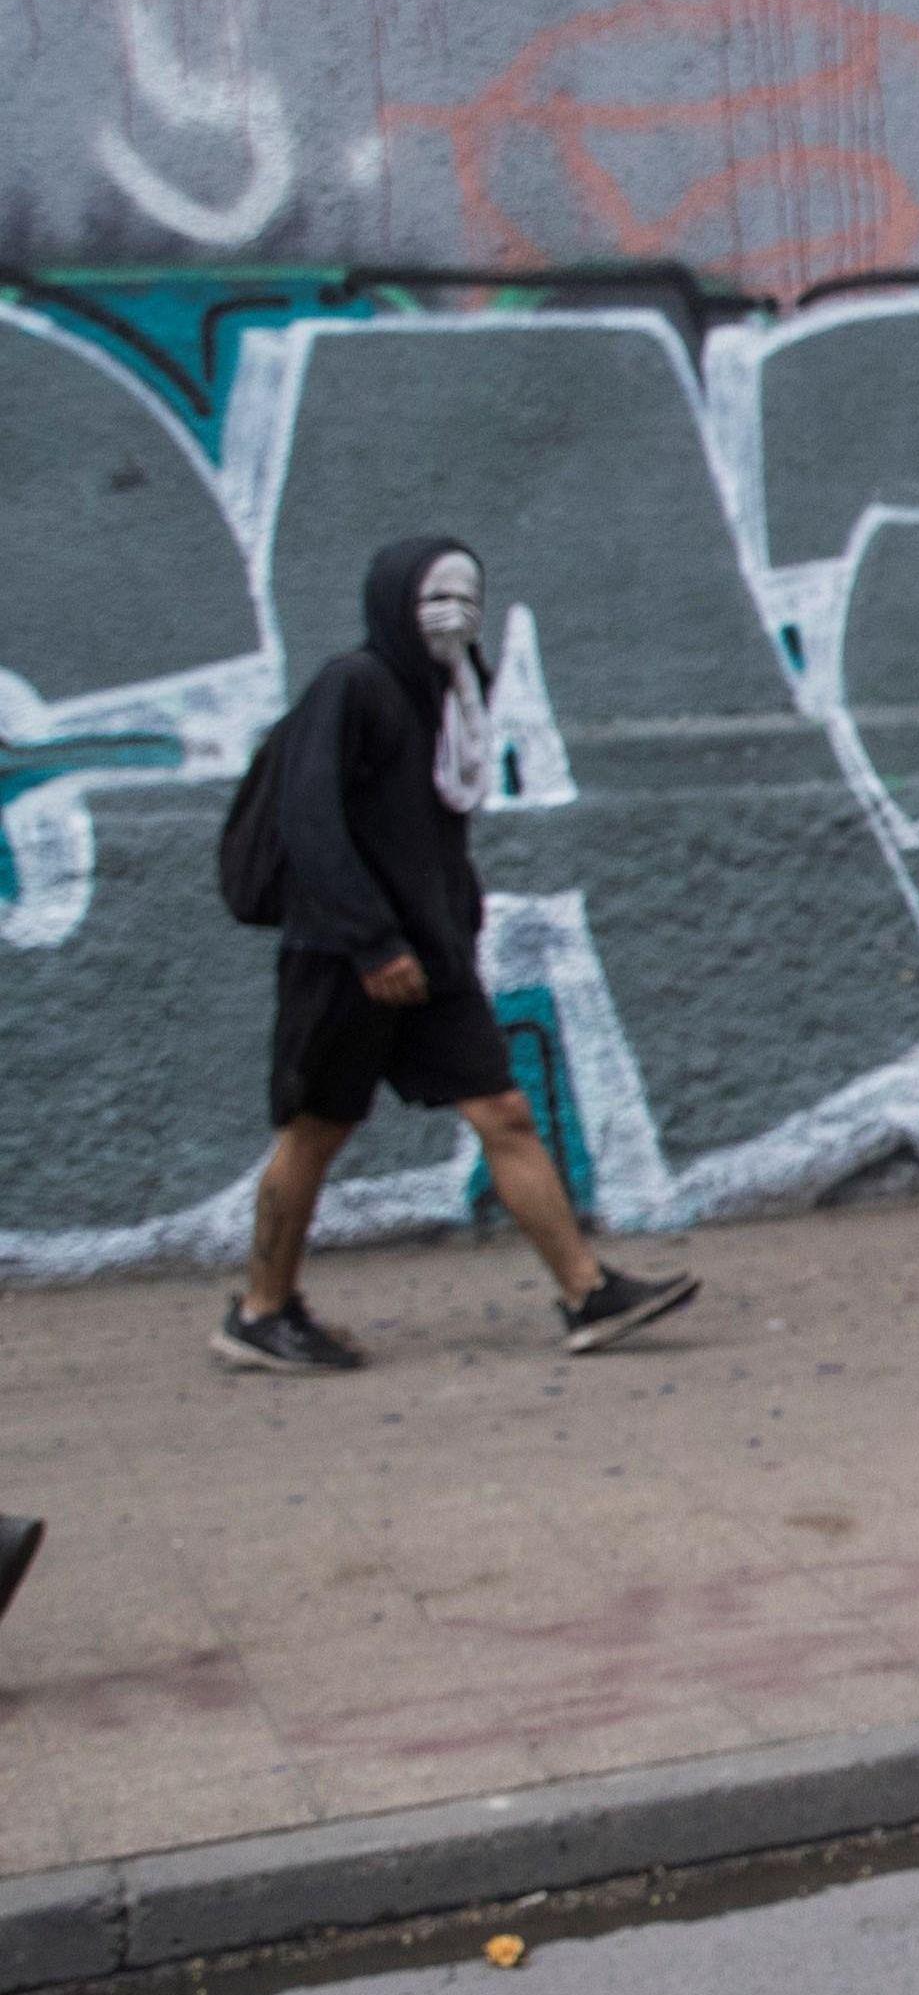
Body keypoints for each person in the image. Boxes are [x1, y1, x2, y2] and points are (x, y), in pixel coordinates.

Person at [219, 537, 698, 1375]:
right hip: (345, 957)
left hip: (430, 957)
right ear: (393, 603)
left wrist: (444, 930)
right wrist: (372, 940)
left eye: (467, 595)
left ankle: (588, 1294)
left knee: (503, 1111)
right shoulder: (353, 686)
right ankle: (261, 1311)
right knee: (316, 1131)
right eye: (434, 597)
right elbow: (310, 822)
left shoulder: (451, 699)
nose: (455, 614)